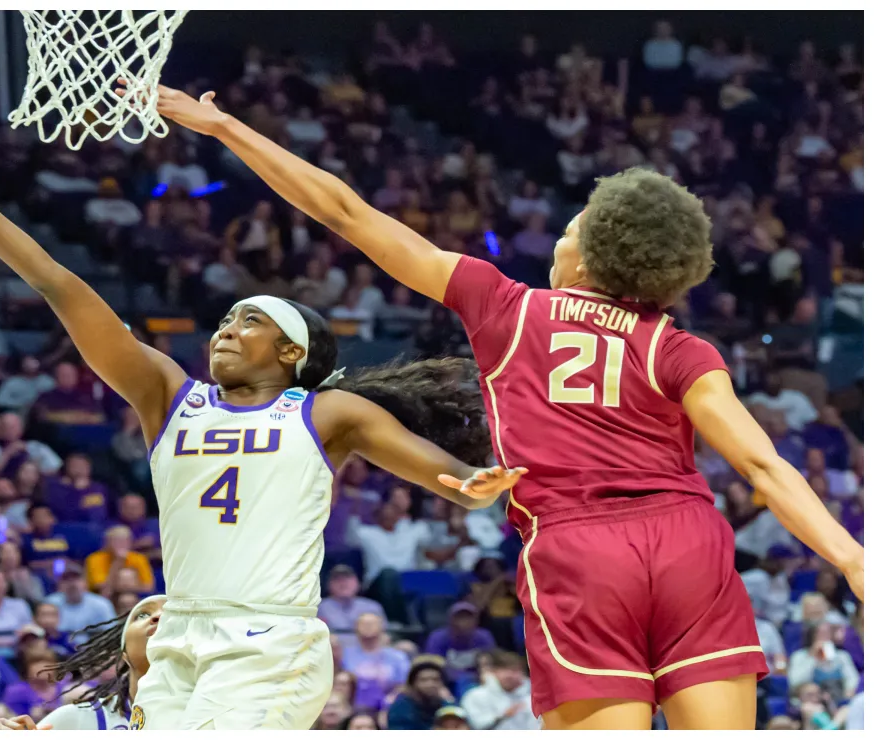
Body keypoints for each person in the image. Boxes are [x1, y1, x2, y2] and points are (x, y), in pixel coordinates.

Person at [156, 93, 865, 730]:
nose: (558, 238)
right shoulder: (679, 347)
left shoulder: (507, 306)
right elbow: (762, 466)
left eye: (570, 230)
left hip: (580, 551)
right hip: (689, 542)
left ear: (589, 257)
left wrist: (226, 127)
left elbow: (345, 212)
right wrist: (854, 561)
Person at [0, 114, 519, 732]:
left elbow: (453, 479)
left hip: (268, 638)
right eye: (224, 321)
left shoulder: (325, 412)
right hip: (179, 634)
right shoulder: (168, 396)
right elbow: (58, 285)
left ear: (291, 352)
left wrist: (474, 483)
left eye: (249, 321)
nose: (226, 330)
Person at [0, 595, 166, 730]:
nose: (159, 616)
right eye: (143, 615)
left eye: (172, 614)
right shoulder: (79, 718)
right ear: (123, 654)